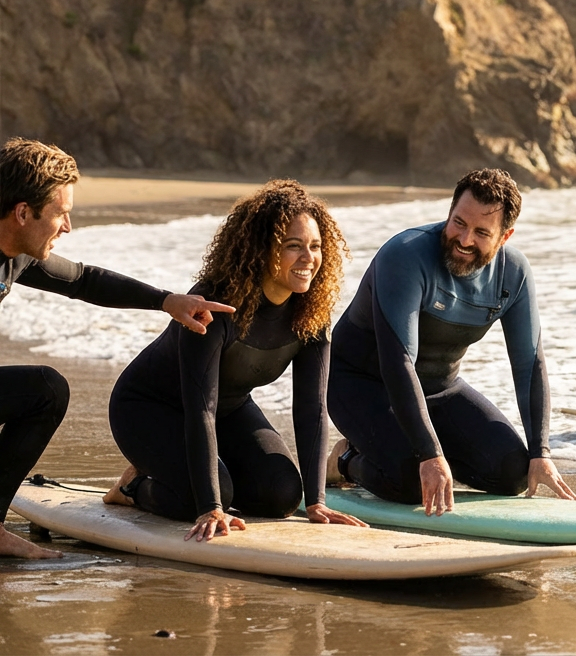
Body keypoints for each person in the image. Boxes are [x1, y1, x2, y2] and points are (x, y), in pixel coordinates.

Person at [0, 137, 236, 558]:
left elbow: (83, 280)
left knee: (45, 390)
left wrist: (167, 301)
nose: (68, 227)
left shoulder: (15, 250)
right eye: (62, 214)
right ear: (22, 213)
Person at [104, 181, 367, 541]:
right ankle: (134, 488)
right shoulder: (215, 306)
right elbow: (201, 410)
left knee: (281, 494)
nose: (309, 258)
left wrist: (316, 502)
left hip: (228, 410)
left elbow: (311, 409)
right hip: (148, 409)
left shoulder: (310, 314)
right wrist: (211, 504)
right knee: (209, 496)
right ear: (262, 249)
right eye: (293, 246)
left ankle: (196, 473)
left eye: (316, 246)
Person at [327, 168, 576, 517]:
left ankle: (406, 447)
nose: (464, 239)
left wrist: (541, 453)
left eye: (481, 232)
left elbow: (529, 364)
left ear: (505, 236)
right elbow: (398, 362)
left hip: (439, 388)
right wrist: (430, 455)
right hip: (361, 382)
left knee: (512, 473)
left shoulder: (514, 274)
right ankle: (346, 460)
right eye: (458, 223)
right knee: (411, 480)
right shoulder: (405, 256)